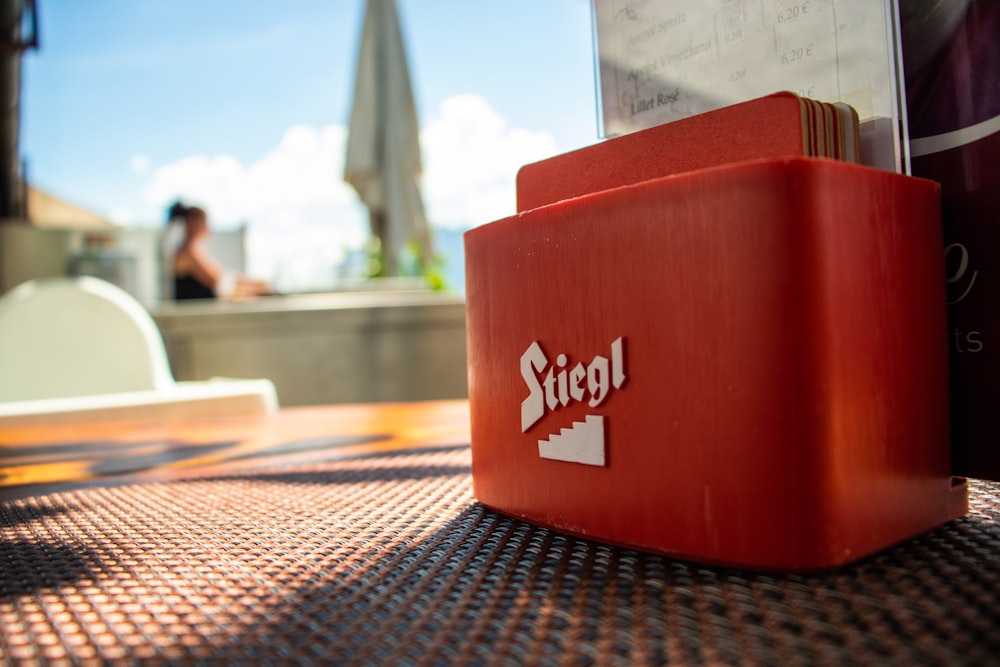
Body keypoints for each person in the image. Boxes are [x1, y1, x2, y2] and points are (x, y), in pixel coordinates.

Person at [169, 203, 271, 301]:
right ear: (192, 222)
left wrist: (253, 285)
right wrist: (257, 290)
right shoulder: (189, 251)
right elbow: (221, 284)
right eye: (205, 222)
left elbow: (223, 277)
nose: (208, 227)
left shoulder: (191, 249)